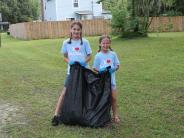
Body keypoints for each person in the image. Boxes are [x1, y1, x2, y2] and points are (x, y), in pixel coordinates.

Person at [52, 21, 92, 126]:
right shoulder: (66, 43)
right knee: (65, 92)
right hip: (72, 72)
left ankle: (86, 114)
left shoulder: (85, 42)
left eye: (78, 29)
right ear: (71, 30)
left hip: (84, 71)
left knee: (86, 92)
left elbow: (89, 56)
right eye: (74, 29)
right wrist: (69, 61)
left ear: (81, 30)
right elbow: (65, 56)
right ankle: (56, 115)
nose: (76, 31)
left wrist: (85, 62)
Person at [93, 35, 120, 123]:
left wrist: (114, 69)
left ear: (110, 43)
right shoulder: (98, 56)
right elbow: (95, 68)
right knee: (103, 99)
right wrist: (100, 71)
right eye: (103, 43)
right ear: (100, 44)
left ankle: (115, 115)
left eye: (107, 43)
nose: (105, 45)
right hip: (102, 81)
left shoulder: (113, 54)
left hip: (112, 81)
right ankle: (102, 116)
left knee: (114, 98)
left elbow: (117, 65)